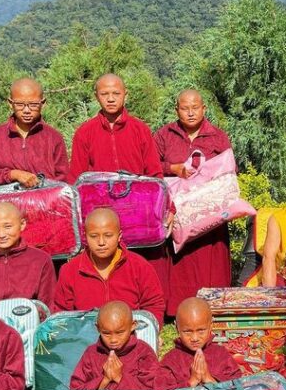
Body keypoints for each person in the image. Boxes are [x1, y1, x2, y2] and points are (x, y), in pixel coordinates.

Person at [67, 73, 170, 307]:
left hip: (137, 210)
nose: (110, 99)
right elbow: (77, 180)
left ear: (126, 95)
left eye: (116, 93)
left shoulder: (140, 130)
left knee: (140, 259)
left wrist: (168, 208)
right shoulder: (85, 132)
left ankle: (145, 306)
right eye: (104, 94)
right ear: (96, 97)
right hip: (100, 212)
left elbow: (155, 174)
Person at [154, 89, 233, 317]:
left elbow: (229, 171)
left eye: (195, 108)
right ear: (177, 110)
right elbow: (148, 165)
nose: (190, 113)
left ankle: (213, 307)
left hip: (209, 214)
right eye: (185, 108)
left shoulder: (217, 137)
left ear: (204, 109)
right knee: (179, 262)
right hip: (177, 213)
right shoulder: (164, 135)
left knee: (209, 259)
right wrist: (173, 168)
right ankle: (176, 310)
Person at [54, 208, 165, 323]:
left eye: (108, 235)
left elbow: (153, 305)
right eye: (93, 236)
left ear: (119, 236)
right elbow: (61, 313)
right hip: (86, 336)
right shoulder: (70, 270)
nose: (101, 242)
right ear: (85, 237)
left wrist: (149, 332)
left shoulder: (139, 266)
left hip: (130, 334)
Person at [0, 78, 69, 187]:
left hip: (45, 202)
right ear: (10, 103)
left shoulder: (53, 137)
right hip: (6, 202)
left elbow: (63, 181)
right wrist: (12, 174)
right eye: (19, 104)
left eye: (33, 104)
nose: (26, 110)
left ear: (43, 103)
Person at [70, 301, 167, 390]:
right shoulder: (92, 353)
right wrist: (104, 380)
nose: (113, 340)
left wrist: (120, 377)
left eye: (120, 333)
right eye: (106, 333)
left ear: (133, 326)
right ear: (98, 328)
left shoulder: (143, 352)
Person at [159, 297, 242, 390]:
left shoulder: (221, 354)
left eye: (201, 330)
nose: (195, 338)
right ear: (177, 328)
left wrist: (208, 378)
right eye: (187, 331)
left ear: (211, 325)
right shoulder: (171, 360)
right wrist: (192, 381)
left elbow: (237, 389)